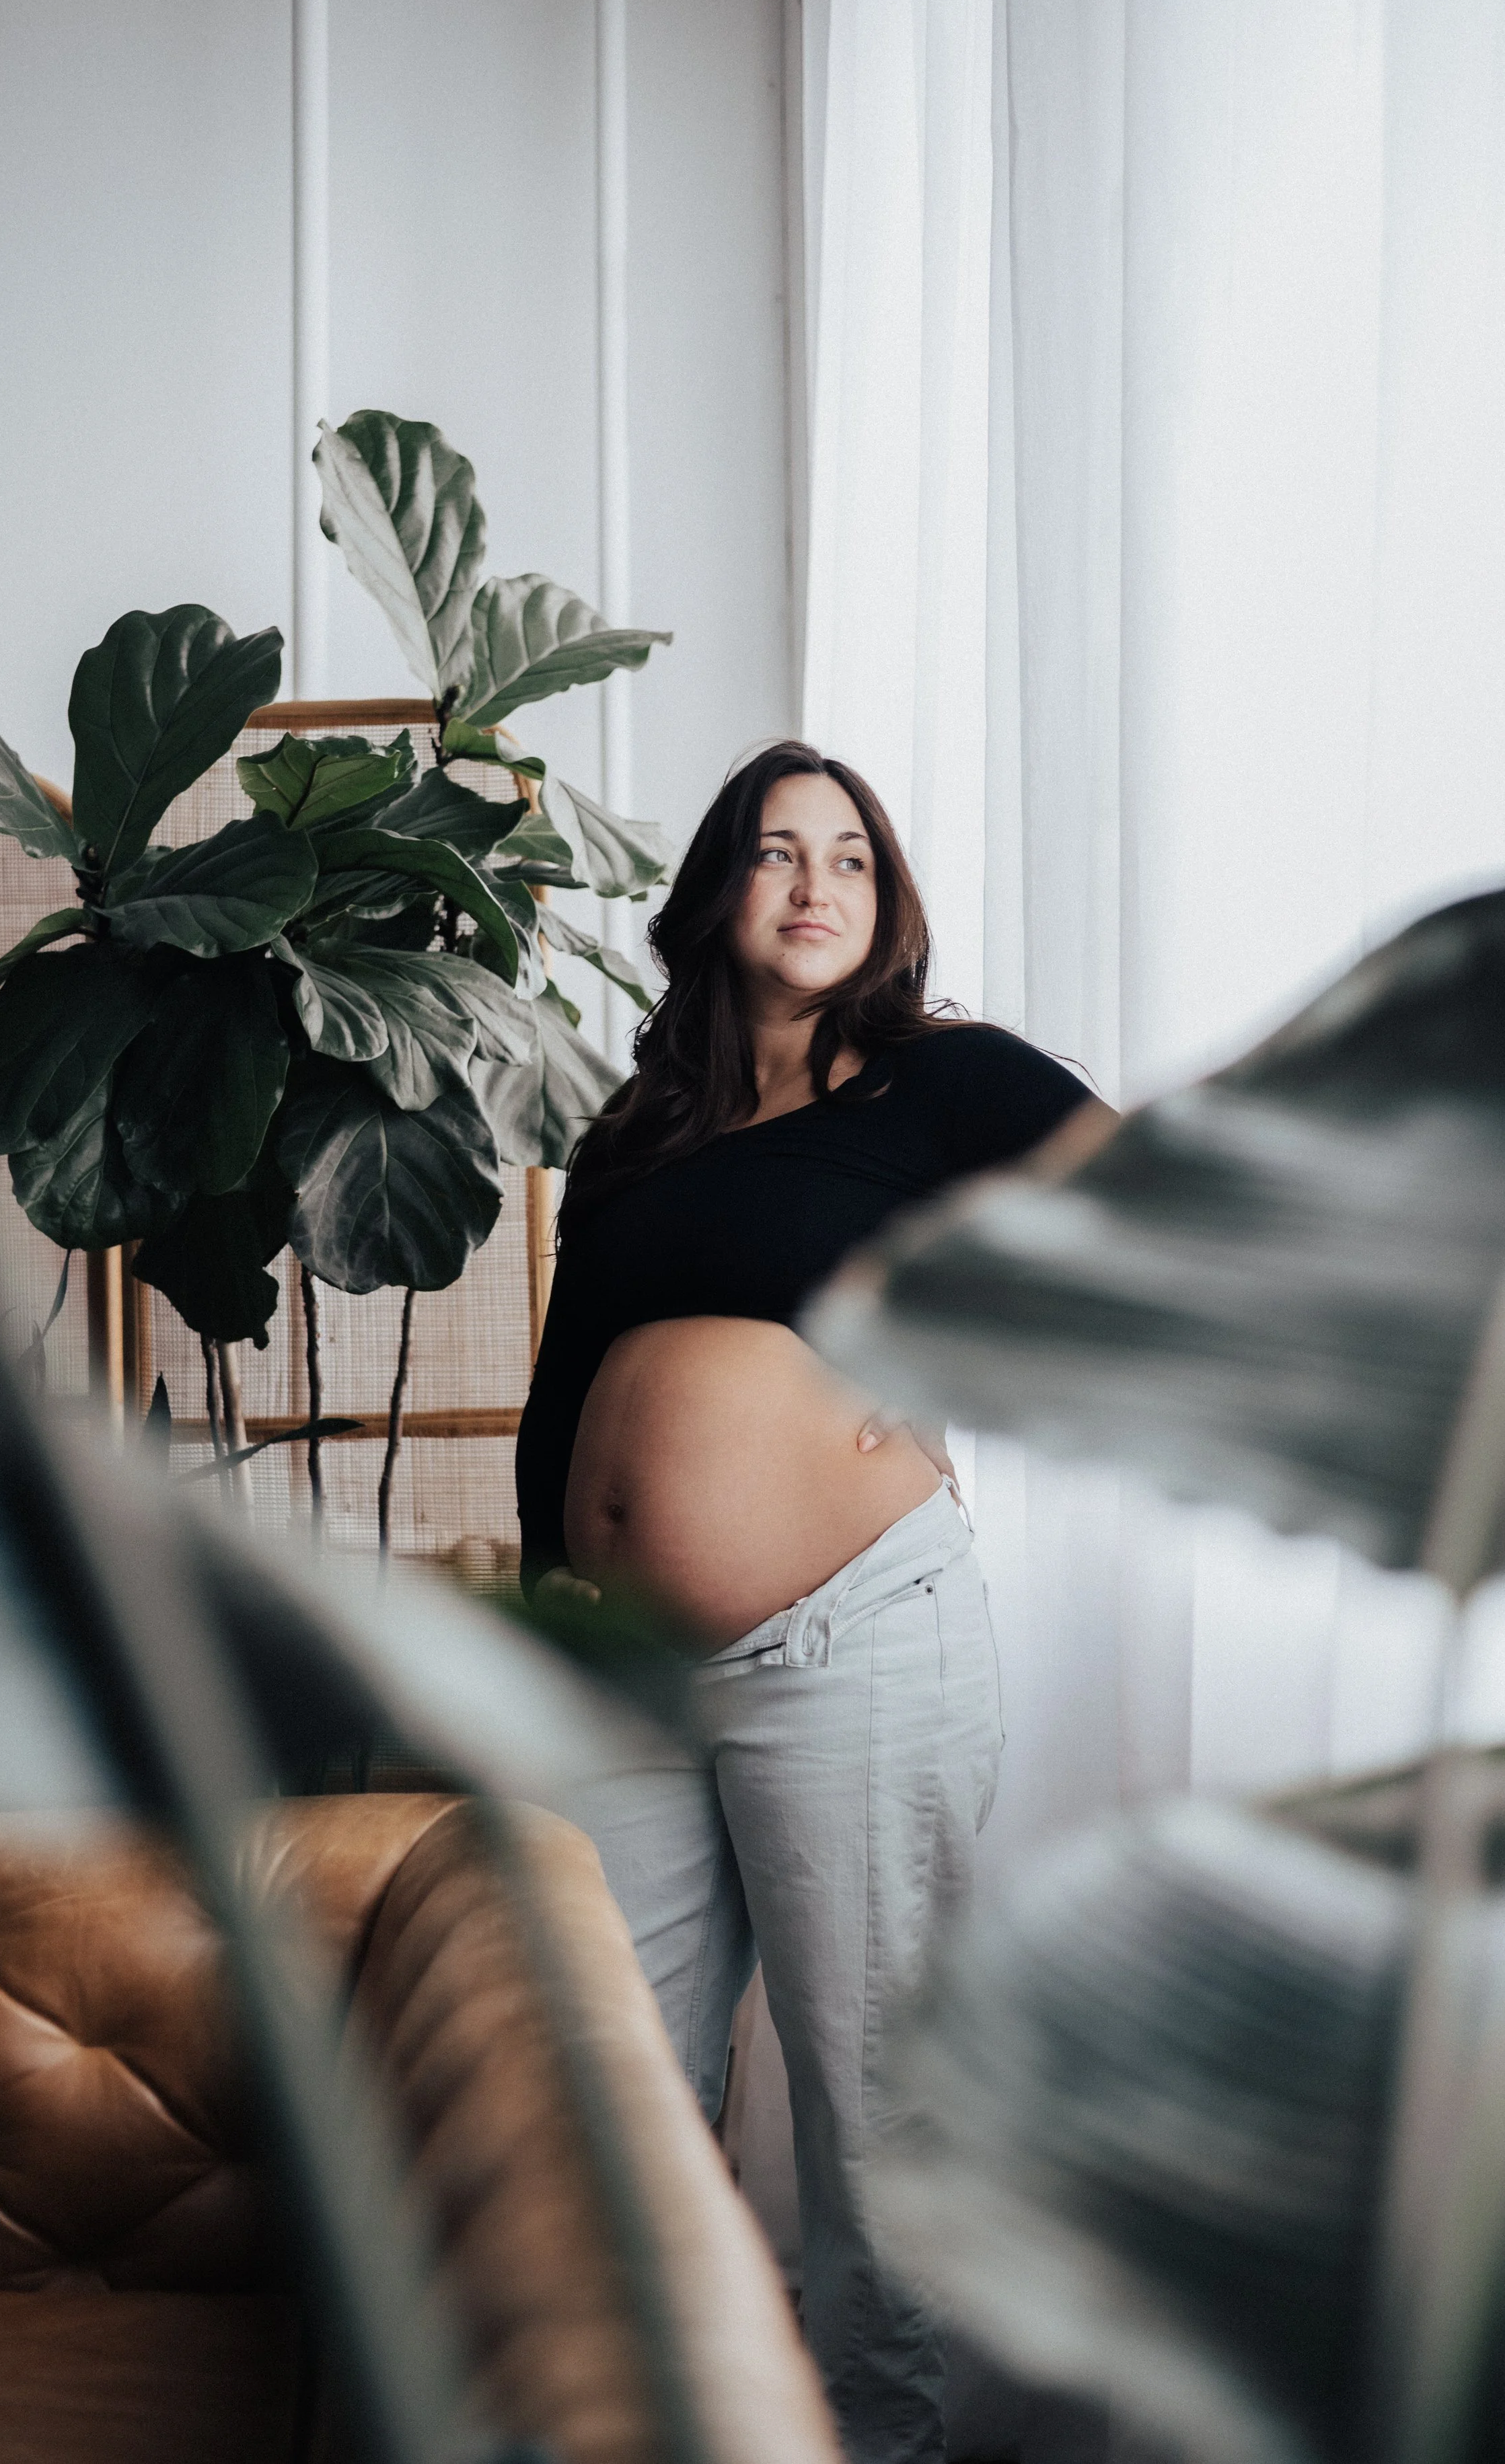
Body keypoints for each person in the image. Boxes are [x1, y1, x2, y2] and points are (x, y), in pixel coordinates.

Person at [515, 741, 1111, 2462]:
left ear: (884, 896)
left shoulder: (943, 1084)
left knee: (871, 2115)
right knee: (603, 2089)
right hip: (628, 1683)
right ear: (717, 891)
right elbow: (569, 1392)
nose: (813, 885)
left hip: (849, 1641)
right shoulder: (640, 1129)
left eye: (848, 857)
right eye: (776, 853)